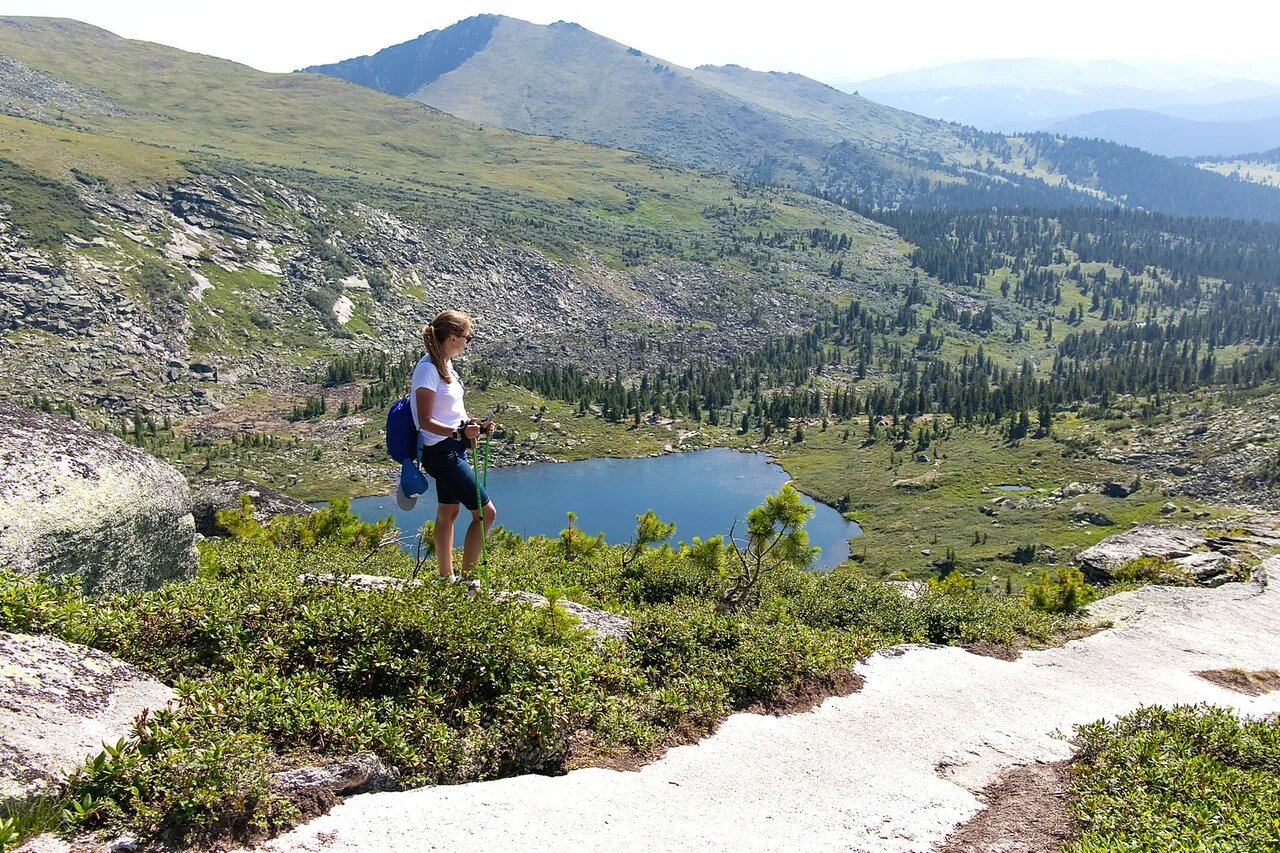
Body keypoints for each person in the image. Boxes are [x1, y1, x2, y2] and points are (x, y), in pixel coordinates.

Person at [410, 309, 497, 585]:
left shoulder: (445, 366)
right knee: (485, 513)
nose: (467, 342)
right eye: (466, 337)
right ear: (451, 336)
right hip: (441, 452)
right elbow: (425, 420)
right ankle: (468, 580)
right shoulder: (427, 369)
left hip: (450, 448)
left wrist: (474, 425)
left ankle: (445, 577)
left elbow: (450, 412)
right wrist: (459, 431)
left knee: (448, 512)